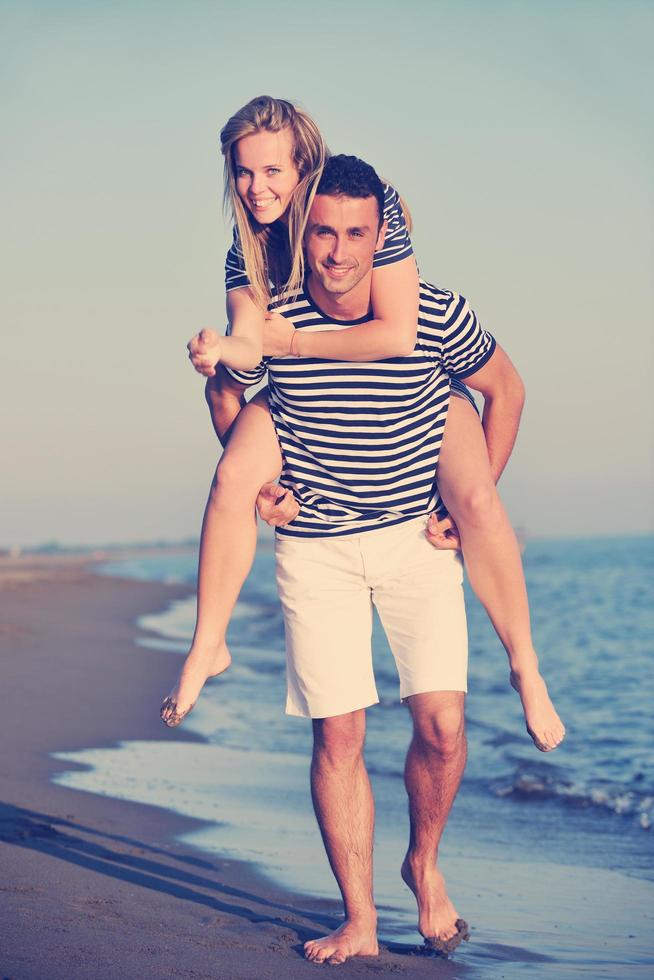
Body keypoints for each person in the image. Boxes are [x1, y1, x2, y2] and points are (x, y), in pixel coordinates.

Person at [196, 154, 533, 963]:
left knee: (444, 729)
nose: (340, 251)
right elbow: (231, 403)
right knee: (339, 734)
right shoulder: (276, 311)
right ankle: (360, 919)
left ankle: (423, 862)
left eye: (357, 234)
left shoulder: (433, 315)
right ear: (305, 234)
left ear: (386, 237)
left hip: (413, 540)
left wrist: (468, 501)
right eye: (324, 233)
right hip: (317, 546)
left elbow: (508, 391)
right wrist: (264, 492)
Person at [161, 95, 565, 757]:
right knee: (233, 473)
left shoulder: (372, 208)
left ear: (306, 169)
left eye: (271, 172)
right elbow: (248, 341)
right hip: (310, 457)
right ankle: (210, 644)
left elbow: (399, 332)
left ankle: (524, 664)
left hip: (416, 381)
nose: (256, 188)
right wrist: (218, 351)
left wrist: (289, 345)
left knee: (476, 499)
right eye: (242, 172)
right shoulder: (250, 247)